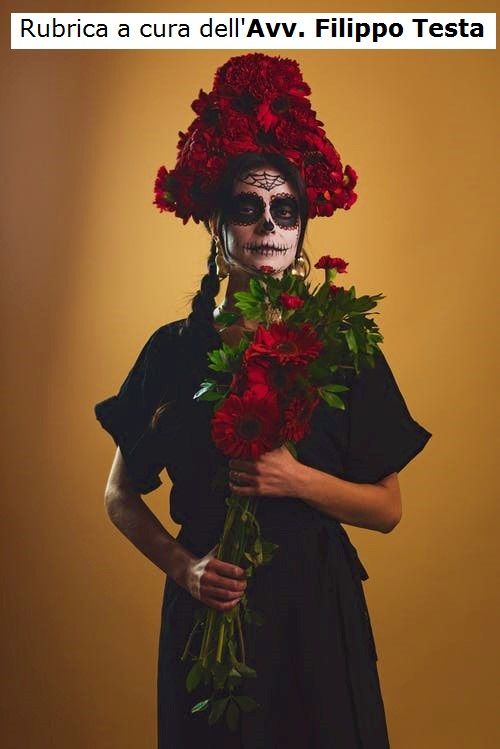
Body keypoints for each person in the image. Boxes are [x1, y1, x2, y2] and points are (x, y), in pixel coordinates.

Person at [94, 54, 432, 748]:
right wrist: (185, 570)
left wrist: (295, 479)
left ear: (303, 227)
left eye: (286, 210)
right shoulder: (173, 349)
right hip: (211, 614)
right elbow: (119, 495)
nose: (269, 226)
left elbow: (388, 508)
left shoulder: (343, 344)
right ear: (218, 226)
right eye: (248, 209)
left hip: (319, 614)